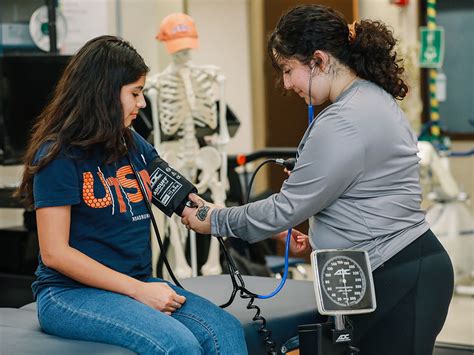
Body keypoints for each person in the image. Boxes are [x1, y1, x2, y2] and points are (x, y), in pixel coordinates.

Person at [181, 5, 454, 355]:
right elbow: (367, 195)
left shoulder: (343, 121)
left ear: (320, 61)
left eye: (288, 70)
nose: (286, 84)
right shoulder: (370, 99)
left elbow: (285, 209)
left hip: (397, 274)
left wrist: (215, 220)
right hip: (401, 267)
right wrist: (322, 240)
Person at [16, 35, 247, 355]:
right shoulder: (58, 155)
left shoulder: (132, 144)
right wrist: (139, 290)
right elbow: (55, 253)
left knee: (225, 330)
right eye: (135, 93)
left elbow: (186, 202)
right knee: (177, 345)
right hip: (69, 295)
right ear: (104, 94)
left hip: (135, 284)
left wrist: (258, 222)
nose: (142, 103)